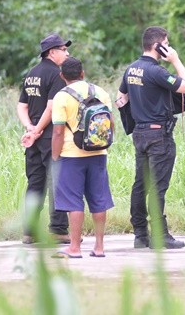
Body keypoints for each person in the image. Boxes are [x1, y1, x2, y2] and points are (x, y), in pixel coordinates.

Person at [115, 26, 185, 249]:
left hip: (140, 133)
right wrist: (176, 61)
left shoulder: (131, 70)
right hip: (159, 134)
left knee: (140, 185)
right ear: (157, 45)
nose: (169, 48)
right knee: (157, 187)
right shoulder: (157, 72)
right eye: (166, 44)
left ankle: (140, 235)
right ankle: (160, 235)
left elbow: (120, 97)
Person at [50, 57, 114, 258]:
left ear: (62, 76)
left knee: (73, 202)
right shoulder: (101, 92)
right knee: (99, 199)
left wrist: (55, 156)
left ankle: (75, 248)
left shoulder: (61, 97)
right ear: (82, 73)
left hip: (71, 155)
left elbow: (58, 132)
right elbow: (111, 124)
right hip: (99, 153)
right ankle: (99, 247)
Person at [17, 34, 71, 244]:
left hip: (33, 139)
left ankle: (29, 231)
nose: (67, 53)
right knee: (56, 182)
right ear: (52, 52)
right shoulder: (57, 75)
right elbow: (52, 106)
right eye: (63, 50)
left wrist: (29, 128)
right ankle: (58, 229)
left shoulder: (31, 74)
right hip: (49, 135)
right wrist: (38, 130)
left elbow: (22, 106)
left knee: (35, 182)